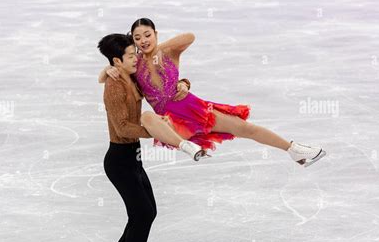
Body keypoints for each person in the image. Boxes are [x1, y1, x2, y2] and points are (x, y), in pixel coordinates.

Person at [99, 18, 326, 167]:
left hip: (192, 106)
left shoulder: (169, 52)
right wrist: (107, 69)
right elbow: (104, 76)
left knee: (245, 128)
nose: (143, 40)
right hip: (170, 120)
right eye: (137, 38)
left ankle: (293, 149)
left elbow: (190, 36)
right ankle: (188, 147)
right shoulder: (134, 64)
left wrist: (180, 77)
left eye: (147, 34)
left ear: (155, 34)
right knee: (146, 117)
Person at [98, 33, 207, 242]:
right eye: (130, 55)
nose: (136, 58)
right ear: (117, 60)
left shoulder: (130, 76)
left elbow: (159, 85)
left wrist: (184, 82)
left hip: (133, 158)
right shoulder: (113, 87)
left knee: (146, 212)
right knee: (142, 214)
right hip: (119, 160)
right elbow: (123, 128)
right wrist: (155, 131)